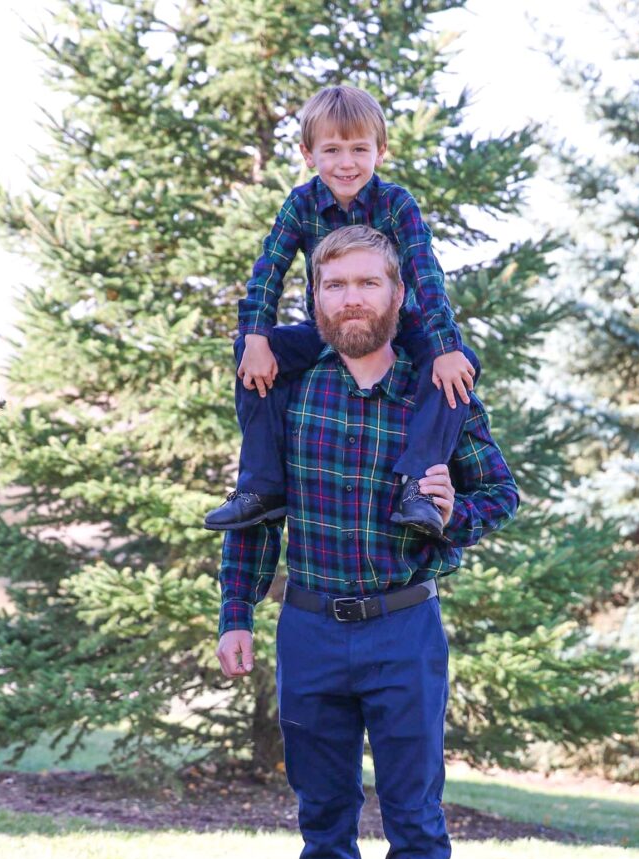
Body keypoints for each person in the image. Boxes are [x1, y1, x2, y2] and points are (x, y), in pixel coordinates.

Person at [216, 226, 519, 859]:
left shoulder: (441, 393)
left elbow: (501, 492)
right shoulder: (286, 386)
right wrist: (236, 613)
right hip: (309, 632)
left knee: (415, 820)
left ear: (396, 295)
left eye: (367, 284)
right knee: (324, 819)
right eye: (334, 284)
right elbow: (255, 509)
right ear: (314, 299)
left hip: (402, 631)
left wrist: (452, 519)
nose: (351, 298)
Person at [204, 84, 480, 540]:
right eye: (332, 150)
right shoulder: (301, 203)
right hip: (329, 326)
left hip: (399, 325)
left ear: (381, 151)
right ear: (309, 154)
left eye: (359, 149)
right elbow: (269, 268)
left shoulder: (397, 205)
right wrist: (255, 335)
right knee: (254, 351)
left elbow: (426, 276)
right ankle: (262, 487)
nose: (346, 162)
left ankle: (419, 487)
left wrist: (447, 347)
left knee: (456, 365)